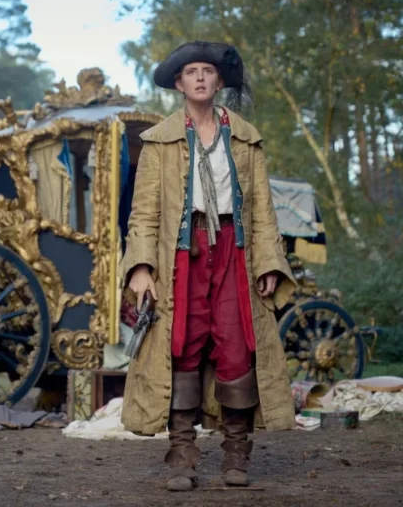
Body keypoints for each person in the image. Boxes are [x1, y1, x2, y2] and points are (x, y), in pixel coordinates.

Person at [120, 41, 297, 492]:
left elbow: (262, 209)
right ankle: (182, 457)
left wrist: (269, 261)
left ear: (218, 82)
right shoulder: (159, 141)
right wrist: (141, 268)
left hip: (235, 251)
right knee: (181, 345)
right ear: (179, 84)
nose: (200, 77)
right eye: (191, 72)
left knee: (237, 345)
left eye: (208, 71)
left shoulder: (245, 138)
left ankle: (236, 453)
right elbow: (143, 214)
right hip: (181, 255)